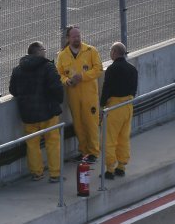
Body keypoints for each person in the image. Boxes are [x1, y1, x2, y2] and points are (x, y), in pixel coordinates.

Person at [9, 41, 65, 182]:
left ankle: (36, 173)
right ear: (38, 51)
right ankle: (55, 174)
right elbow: (57, 88)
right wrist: (58, 101)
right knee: (52, 143)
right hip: (48, 112)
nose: (45, 51)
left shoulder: (18, 70)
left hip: (28, 115)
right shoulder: (48, 67)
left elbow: (13, 90)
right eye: (43, 49)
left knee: (32, 145)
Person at [55, 25, 103, 162]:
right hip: (74, 95)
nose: (77, 38)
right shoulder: (62, 55)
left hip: (90, 95)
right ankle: (84, 152)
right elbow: (59, 74)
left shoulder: (90, 50)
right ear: (68, 38)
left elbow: (98, 69)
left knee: (91, 123)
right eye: (74, 36)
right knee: (78, 124)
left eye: (79, 36)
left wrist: (83, 77)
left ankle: (94, 152)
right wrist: (67, 81)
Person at [100, 42, 138, 180]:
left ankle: (109, 169)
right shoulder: (133, 69)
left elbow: (107, 88)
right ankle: (121, 166)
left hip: (114, 107)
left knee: (109, 139)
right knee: (123, 137)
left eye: (111, 51)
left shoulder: (112, 69)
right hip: (128, 106)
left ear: (115, 52)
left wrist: (102, 105)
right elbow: (134, 89)